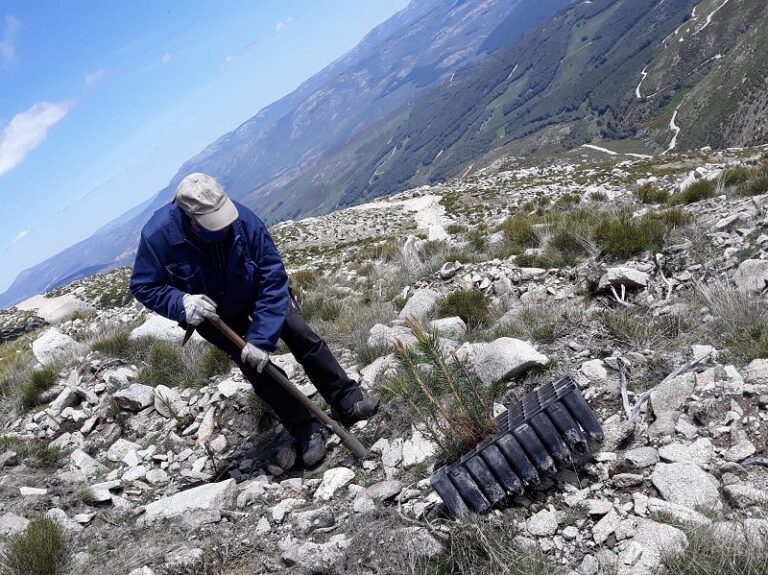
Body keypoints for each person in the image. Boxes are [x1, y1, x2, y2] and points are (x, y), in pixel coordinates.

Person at [129, 172, 378, 467]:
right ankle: (306, 429)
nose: (223, 229)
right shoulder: (158, 236)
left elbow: (272, 274)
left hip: (258, 291)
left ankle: (347, 400)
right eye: (212, 224)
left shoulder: (243, 220)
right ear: (189, 217)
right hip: (211, 313)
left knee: (302, 336)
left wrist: (261, 338)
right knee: (257, 369)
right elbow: (144, 285)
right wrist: (180, 303)